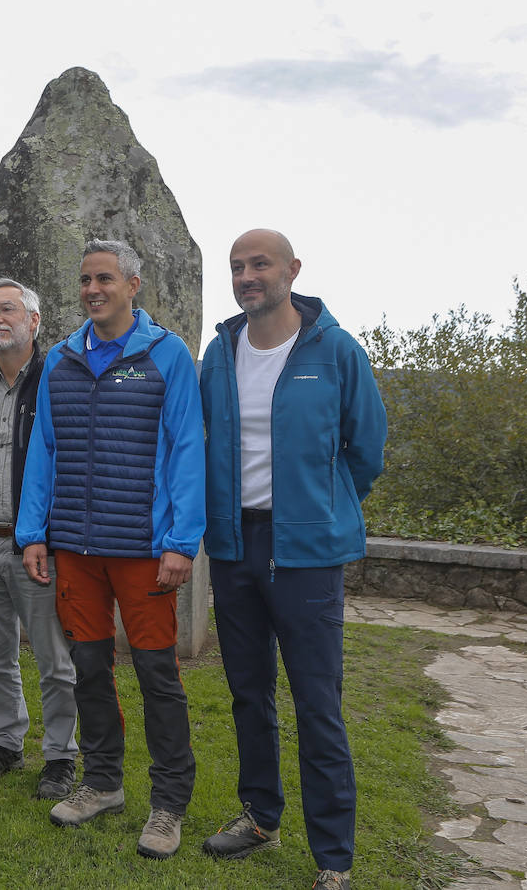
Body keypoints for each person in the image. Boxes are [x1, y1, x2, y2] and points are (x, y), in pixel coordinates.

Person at [198, 229, 386, 890]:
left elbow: (366, 453)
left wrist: (316, 509)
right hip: (233, 545)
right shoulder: (219, 354)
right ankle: (260, 817)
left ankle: (333, 856)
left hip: (305, 552)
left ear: (291, 270)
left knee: (316, 703)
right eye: (237, 267)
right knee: (248, 693)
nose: (248, 276)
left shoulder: (335, 352)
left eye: (260, 264)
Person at [16, 239, 205, 860]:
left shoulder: (167, 355)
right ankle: (101, 784)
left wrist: (182, 541)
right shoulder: (63, 359)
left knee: (157, 676)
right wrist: (34, 531)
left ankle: (169, 802)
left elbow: (186, 449)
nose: (93, 289)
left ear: (133, 285)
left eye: (105, 279)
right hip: (75, 547)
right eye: (85, 281)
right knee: (89, 671)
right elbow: (43, 447)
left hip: (145, 551)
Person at [0, 278, 78, 799]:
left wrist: (51, 534)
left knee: (54, 658)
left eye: (7, 309)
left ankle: (60, 755)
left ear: (34, 320)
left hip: (37, 546)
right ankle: (6, 743)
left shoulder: (59, 378)